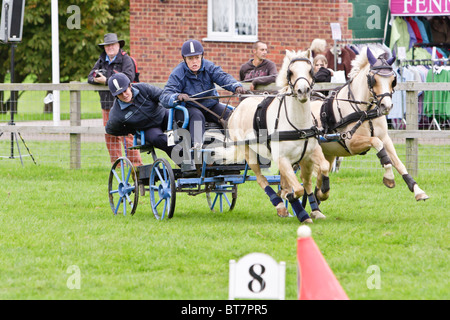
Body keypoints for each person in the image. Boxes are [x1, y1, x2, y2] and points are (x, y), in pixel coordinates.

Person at [160, 39, 245, 148]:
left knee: (229, 115)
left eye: (197, 57)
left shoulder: (209, 67)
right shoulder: (178, 73)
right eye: (190, 58)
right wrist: (177, 96)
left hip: (210, 106)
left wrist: (235, 86)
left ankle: (237, 144)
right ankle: (197, 148)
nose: (194, 61)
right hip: (188, 109)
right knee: (197, 115)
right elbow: (164, 97)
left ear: (202, 56)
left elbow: (223, 77)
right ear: (184, 59)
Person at [88, 33, 142, 166]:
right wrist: (97, 79)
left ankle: (135, 165)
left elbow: (128, 78)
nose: (110, 48)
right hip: (107, 103)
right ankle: (117, 165)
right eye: (107, 45)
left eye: (112, 45)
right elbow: (90, 76)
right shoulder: (101, 60)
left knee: (128, 135)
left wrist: (106, 81)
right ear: (104, 48)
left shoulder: (126, 60)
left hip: (125, 103)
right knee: (110, 134)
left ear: (119, 45)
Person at [105, 73, 174, 158]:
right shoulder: (117, 113)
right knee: (161, 140)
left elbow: (162, 96)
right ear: (116, 96)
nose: (124, 95)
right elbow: (110, 129)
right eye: (120, 94)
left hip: (162, 115)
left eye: (125, 90)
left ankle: (193, 148)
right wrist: (132, 130)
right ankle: (184, 163)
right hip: (149, 129)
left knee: (179, 117)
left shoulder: (143, 89)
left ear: (130, 86)